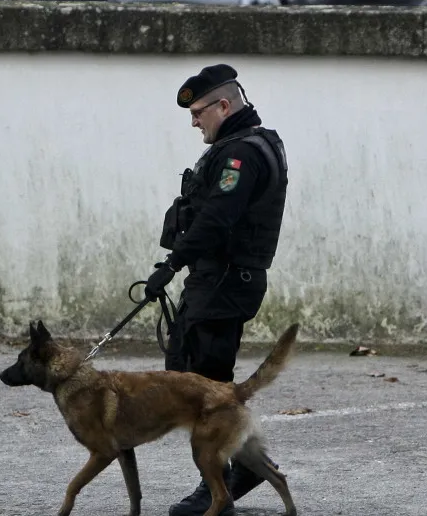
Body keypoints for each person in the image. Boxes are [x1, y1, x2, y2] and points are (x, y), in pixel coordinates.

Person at [144, 64, 289, 516]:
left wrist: (172, 263)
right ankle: (244, 467)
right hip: (215, 280)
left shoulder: (240, 156)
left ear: (224, 106)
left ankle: (219, 487)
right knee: (189, 373)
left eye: (198, 111)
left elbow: (218, 217)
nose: (193, 121)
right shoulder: (243, 145)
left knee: (205, 387)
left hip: (226, 280)